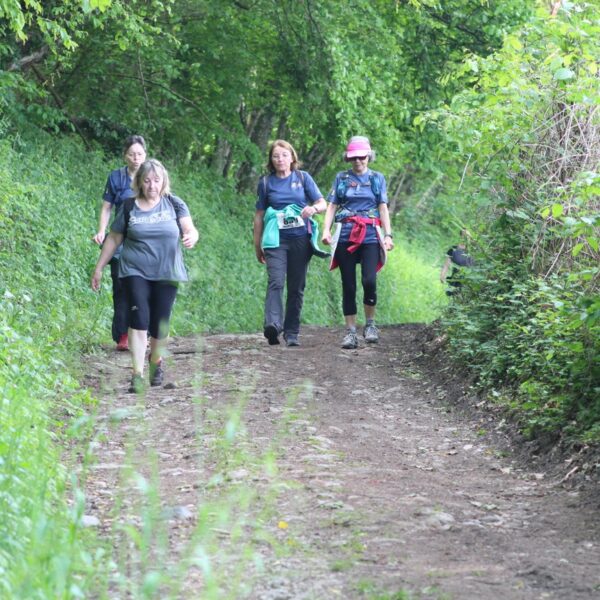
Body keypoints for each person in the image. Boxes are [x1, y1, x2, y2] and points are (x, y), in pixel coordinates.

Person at [91, 159, 199, 393]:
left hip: (167, 271)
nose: (152, 185)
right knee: (139, 320)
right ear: (139, 182)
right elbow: (114, 238)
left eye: (156, 180)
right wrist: (99, 267)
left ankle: (155, 361)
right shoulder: (129, 207)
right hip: (134, 271)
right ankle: (137, 375)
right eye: (147, 180)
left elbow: (190, 228)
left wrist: (191, 236)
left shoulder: (174, 204)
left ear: (163, 182)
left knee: (160, 324)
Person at [321, 135, 394, 349]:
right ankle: (350, 331)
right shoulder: (341, 179)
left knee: (369, 281)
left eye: (362, 157)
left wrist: (388, 235)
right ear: (348, 158)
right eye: (354, 158)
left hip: (371, 235)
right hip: (345, 234)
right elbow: (332, 206)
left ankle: (370, 324)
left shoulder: (377, 178)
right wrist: (326, 230)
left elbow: (383, 208)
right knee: (349, 285)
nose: (358, 161)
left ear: (369, 156)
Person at [253, 139, 327, 347]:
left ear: (292, 157)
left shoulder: (303, 178)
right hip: (275, 239)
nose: (280, 160)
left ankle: (292, 331)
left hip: (300, 239)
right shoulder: (266, 183)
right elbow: (259, 216)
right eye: (276, 156)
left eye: (284, 155)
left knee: (296, 286)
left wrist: (313, 209)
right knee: (276, 281)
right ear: (271, 160)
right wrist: (257, 245)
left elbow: (322, 203)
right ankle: (273, 325)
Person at [92, 135, 147, 351]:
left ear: (145, 155)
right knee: (121, 287)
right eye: (132, 154)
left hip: (144, 241)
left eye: (140, 154)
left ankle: (143, 332)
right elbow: (106, 207)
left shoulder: (151, 176)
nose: (136, 158)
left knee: (143, 287)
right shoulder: (116, 178)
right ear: (125, 155)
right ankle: (123, 334)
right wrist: (101, 230)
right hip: (119, 240)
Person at [440, 229, 473, 296]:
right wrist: (442, 275)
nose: (466, 237)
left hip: (469, 281)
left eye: (468, 236)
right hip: (456, 279)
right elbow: (446, 265)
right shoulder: (453, 249)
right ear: (461, 236)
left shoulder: (473, 251)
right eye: (464, 235)